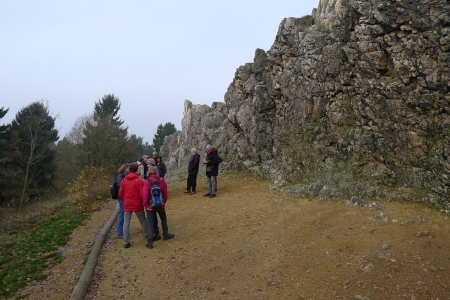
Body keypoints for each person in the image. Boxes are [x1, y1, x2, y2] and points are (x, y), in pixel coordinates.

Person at [143, 166, 175, 249]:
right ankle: (166, 234)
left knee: (150, 223)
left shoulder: (147, 181)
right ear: (157, 171)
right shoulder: (161, 180)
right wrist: (163, 202)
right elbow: (165, 193)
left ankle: (150, 242)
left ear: (149, 172)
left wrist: (146, 205)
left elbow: (145, 195)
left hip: (150, 204)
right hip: (160, 204)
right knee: (163, 218)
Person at [118, 162, 148, 248]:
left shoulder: (124, 180)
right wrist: (143, 201)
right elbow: (142, 193)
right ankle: (150, 236)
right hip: (137, 203)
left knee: (126, 223)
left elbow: (120, 193)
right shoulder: (139, 180)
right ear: (136, 170)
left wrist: (126, 199)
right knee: (143, 220)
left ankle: (126, 242)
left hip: (127, 203)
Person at [145, 157, 161, 240]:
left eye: (148, 164)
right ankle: (155, 230)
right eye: (147, 164)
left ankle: (154, 232)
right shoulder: (149, 173)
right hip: (153, 197)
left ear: (152, 164)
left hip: (153, 197)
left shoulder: (154, 174)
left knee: (152, 216)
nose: (147, 165)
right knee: (154, 215)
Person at [115, 163, 129, 238]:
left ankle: (121, 231)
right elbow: (121, 187)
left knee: (123, 213)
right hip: (122, 197)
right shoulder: (120, 176)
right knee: (122, 214)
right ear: (125, 168)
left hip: (124, 197)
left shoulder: (124, 175)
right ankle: (119, 232)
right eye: (128, 168)